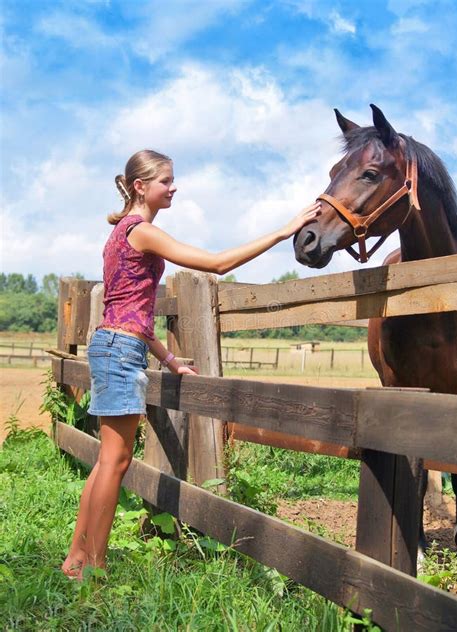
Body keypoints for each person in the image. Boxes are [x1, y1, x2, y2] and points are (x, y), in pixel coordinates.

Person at [62, 149, 321, 579]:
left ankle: (78, 559)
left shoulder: (118, 235)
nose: (174, 186)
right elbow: (217, 264)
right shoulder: (141, 231)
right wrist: (283, 231)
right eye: (167, 180)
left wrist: (168, 359)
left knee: (109, 459)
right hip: (119, 352)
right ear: (141, 186)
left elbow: (128, 309)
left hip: (113, 344)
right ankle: (93, 568)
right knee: (116, 461)